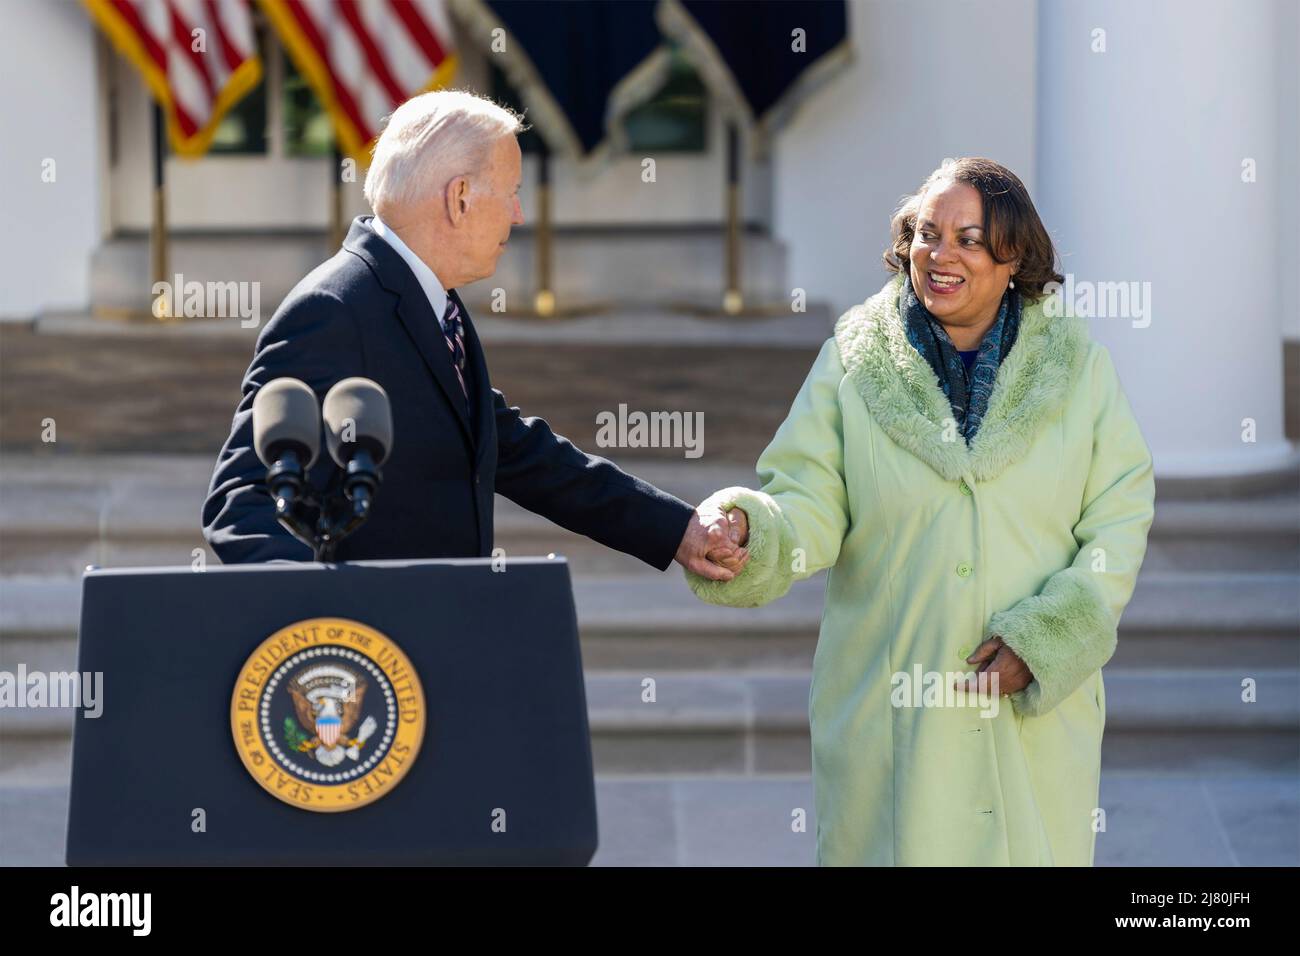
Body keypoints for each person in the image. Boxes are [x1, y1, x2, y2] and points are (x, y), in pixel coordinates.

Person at [685, 157, 1156, 866]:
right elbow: (807, 498)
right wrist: (757, 530)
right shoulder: (851, 363)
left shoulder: (1078, 369)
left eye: (970, 239)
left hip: (1026, 726)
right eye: (927, 234)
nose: (941, 256)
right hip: (889, 713)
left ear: (1014, 258)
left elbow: (1118, 517)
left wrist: (1052, 637)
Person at [202, 90, 747, 582]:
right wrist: (326, 623)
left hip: (444, 637)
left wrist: (675, 528)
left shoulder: (427, 297)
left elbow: (513, 449)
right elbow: (241, 500)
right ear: (459, 197)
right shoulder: (334, 309)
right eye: (509, 193)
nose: (518, 214)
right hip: (372, 663)